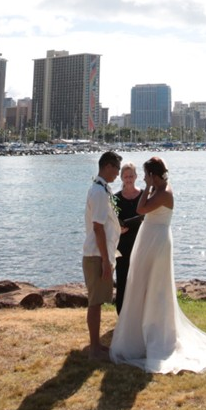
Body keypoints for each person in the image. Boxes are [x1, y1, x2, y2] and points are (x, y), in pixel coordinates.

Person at [110, 156, 206, 374]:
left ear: (154, 175)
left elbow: (141, 209)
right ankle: (140, 331)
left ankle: (157, 334)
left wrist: (146, 187)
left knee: (156, 286)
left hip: (157, 242)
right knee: (143, 283)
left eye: (148, 174)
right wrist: (149, 187)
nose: (146, 178)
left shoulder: (164, 192)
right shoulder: (159, 189)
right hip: (151, 239)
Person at [82, 149, 121, 360]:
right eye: (116, 169)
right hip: (97, 255)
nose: (118, 173)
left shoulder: (103, 189)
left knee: (97, 301)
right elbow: (97, 228)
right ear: (107, 166)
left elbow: (105, 224)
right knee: (95, 302)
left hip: (101, 253)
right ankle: (94, 348)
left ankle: (96, 345)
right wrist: (106, 261)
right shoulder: (98, 192)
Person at [113, 162, 143, 314]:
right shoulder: (115, 198)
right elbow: (111, 220)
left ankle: (139, 315)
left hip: (141, 243)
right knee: (123, 280)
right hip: (123, 244)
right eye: (126, 176)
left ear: (136, 176)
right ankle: (122, 315)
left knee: (140, 280)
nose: (129, 179)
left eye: (131, 176)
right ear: (121, 178)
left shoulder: (144, 195)